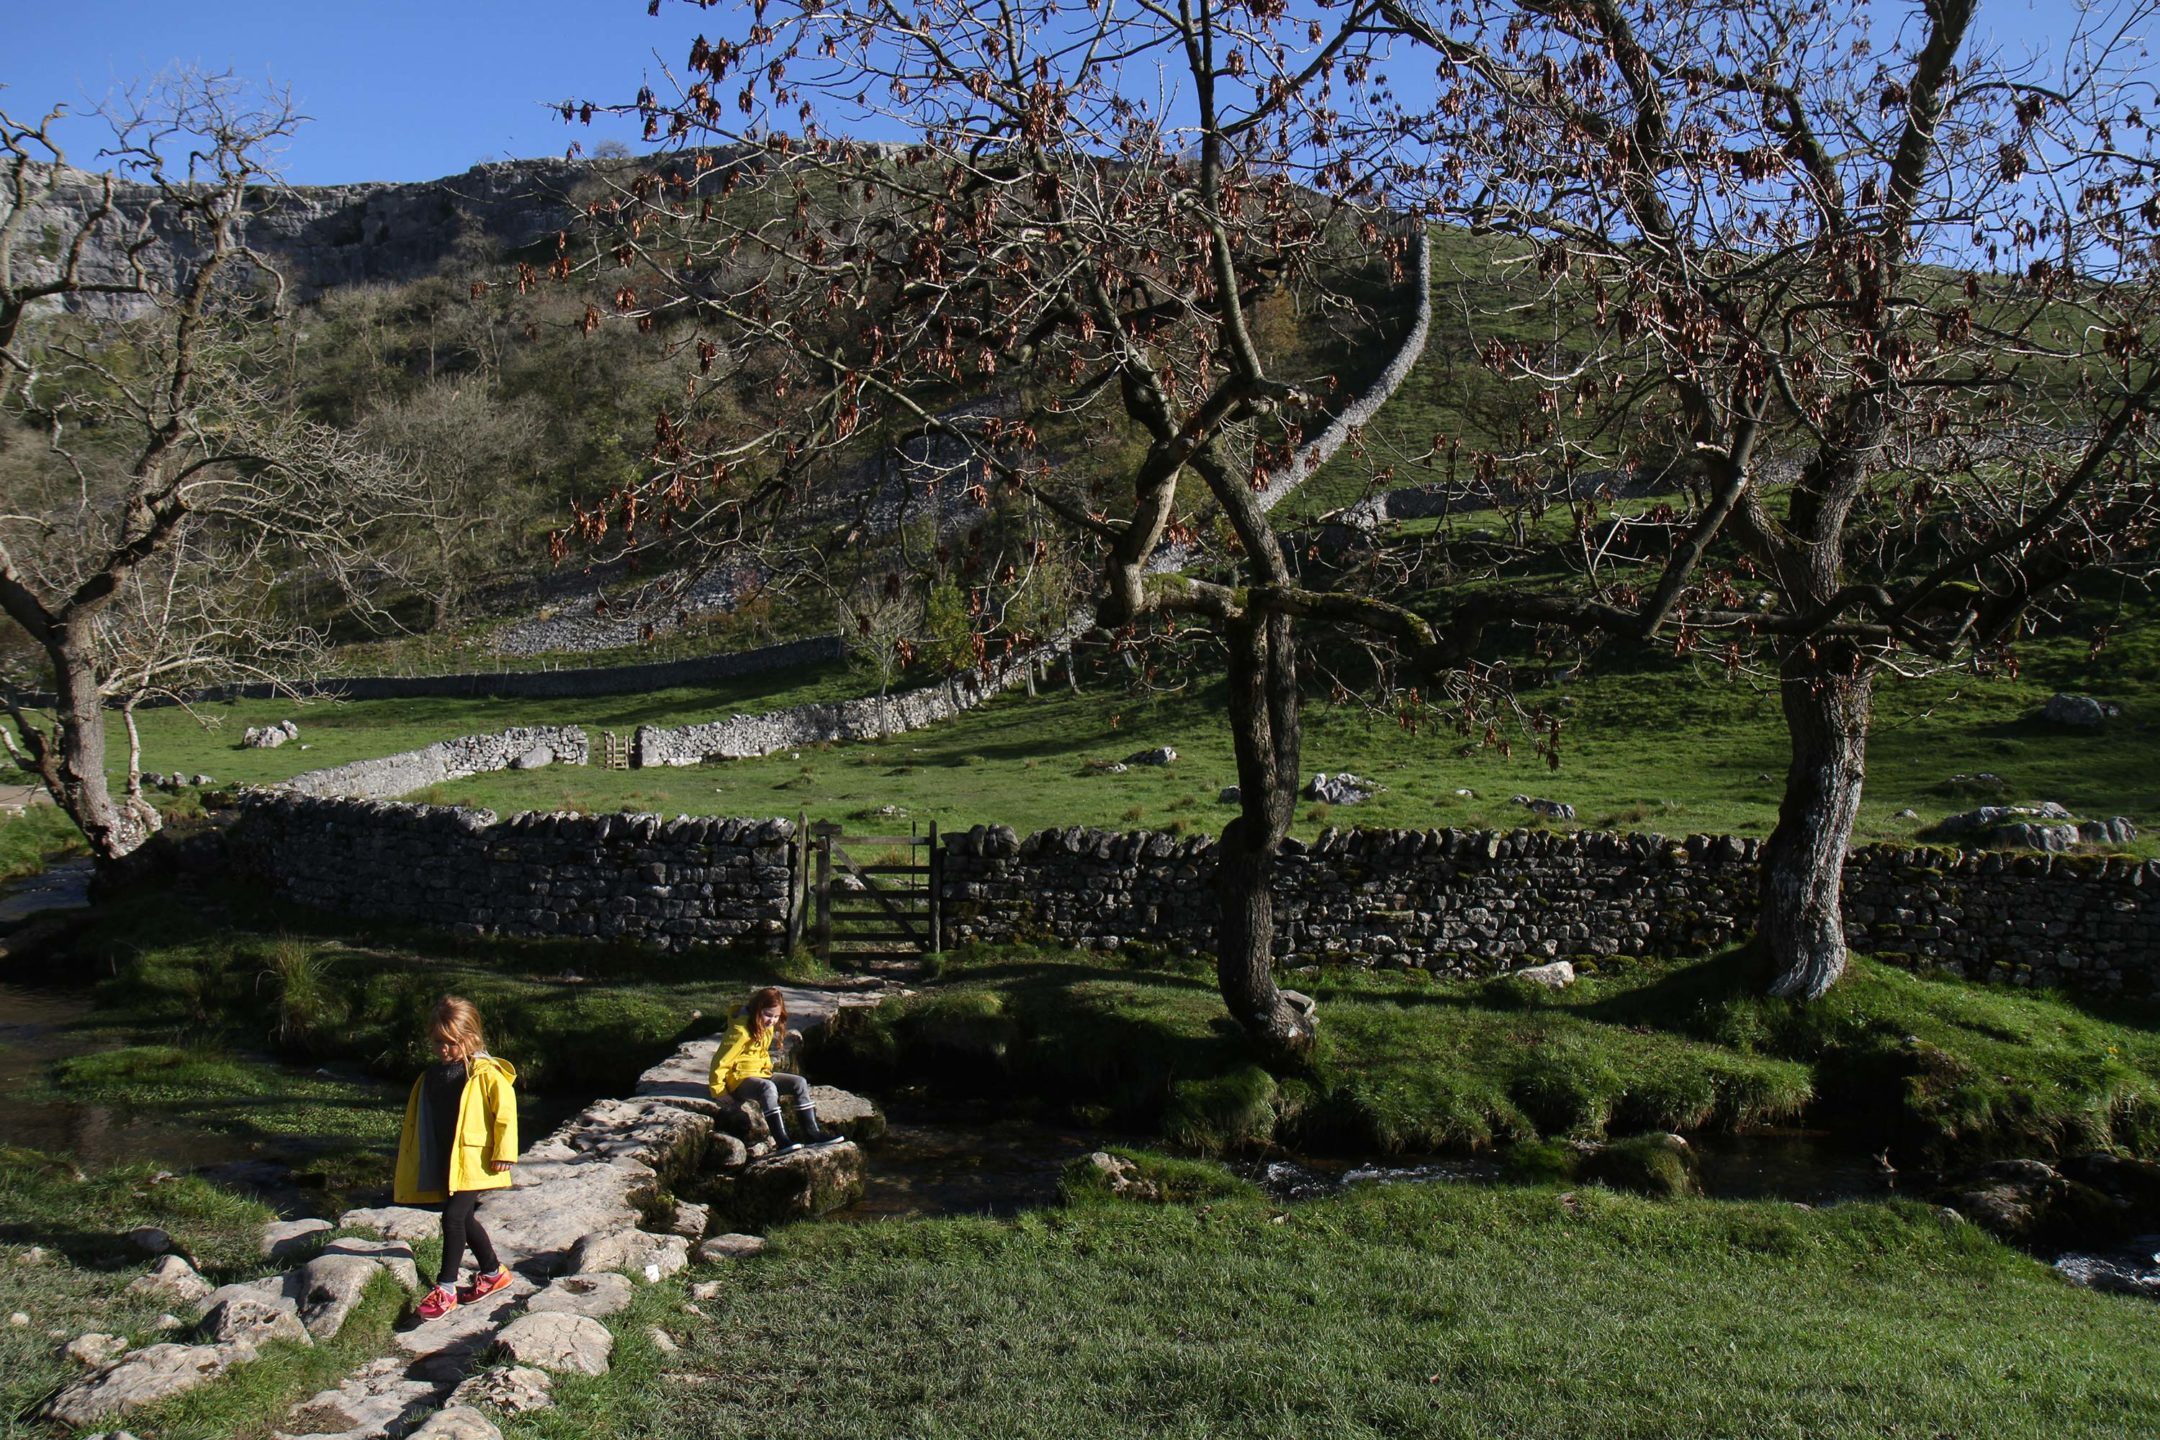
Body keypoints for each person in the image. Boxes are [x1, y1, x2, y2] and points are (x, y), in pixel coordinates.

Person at [393, 995, 519, 1320]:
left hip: (477, 1159)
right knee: (463, 1218)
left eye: (451, 1043)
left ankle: (445, 1289)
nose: (443, 1049)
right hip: (451, 1158)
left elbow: (505, 1114)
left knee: (451, 1217)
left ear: (470, 1038)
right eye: (438, 1043)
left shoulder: (485, 1073)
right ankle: (493, 1273)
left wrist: (505, 1152)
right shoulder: (435, 1074)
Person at [707, 986, 844, 1153]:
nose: (771, 1020)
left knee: (799, 1082)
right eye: (768, 1015)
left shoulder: (765, 1027)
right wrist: (719, 1090)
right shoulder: (740, 1031)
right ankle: (782, 1140)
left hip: (760, 1074)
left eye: (776, 1016)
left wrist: (766, 1069)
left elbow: (761, 1053)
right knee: (768, 1088)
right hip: (738, 1080)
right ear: (757, 1009)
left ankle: (812, 1134)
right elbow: (720, 1060)